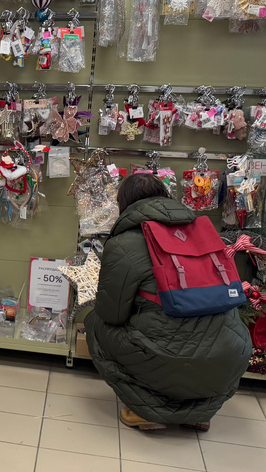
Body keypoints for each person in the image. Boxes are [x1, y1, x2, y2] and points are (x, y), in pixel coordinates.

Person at [86, 173, 252, 431]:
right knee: (195, 339)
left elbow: (112, 314)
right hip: (230, 355)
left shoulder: (124, 243)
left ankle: (147, 411)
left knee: (96, 324)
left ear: (124, 204)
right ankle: (198, 413)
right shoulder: (205, 232)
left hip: (166, 358)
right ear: (166, 195)